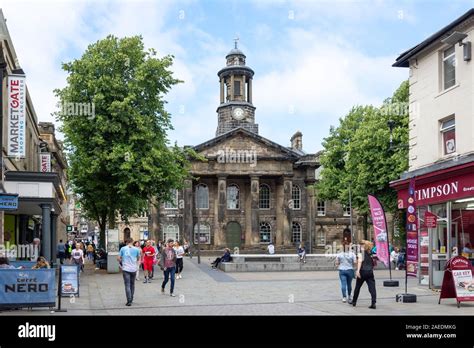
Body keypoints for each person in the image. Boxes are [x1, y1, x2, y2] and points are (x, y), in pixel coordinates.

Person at [352, 240, 377, 309]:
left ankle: (354, 301)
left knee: (357, 287)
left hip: (363, 271)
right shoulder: (370, 253)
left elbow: (360, 261)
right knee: (372, 288)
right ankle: (373, 302)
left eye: (361, 244)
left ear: (363, 246)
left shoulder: (361, 253)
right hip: (370, 272)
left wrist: (357, 271)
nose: (360, 246)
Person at [118, 238, 141, 306]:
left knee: (127, 285)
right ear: (132, 242)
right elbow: (138, 258)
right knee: (132, 284)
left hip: (126, 269)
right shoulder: (136, 249)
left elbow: (118, 258)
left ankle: (129, 300)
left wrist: (121, 261)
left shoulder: (123, 249)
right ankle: (132, 298)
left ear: (126, 242)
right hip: (133, 269)